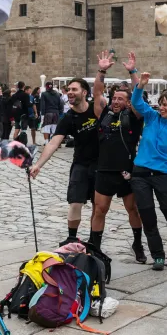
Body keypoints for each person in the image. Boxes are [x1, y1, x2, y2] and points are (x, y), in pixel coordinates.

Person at [90, 51, 146, 262]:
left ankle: (137, 243)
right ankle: (95, 247)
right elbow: (97, 93)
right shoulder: (104, 113)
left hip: (127, 171)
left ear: (129, 102)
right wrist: (102, 71)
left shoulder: (134, 115)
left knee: (132, 209)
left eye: (120, 99)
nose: (115, 101)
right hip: (104, 170)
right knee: (100, 210)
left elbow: (139, 91)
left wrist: (133, 71)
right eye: (114, 98)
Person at [129, 72, 167, 271]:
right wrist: (140, 83)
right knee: (148, 216)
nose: (162, 107)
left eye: (166, 104)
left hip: (162, 176)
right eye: (160, 103)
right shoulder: (151, 117)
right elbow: (136, 102)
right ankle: (158, 256)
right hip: (140, 175)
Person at [30, 78, 99, 244]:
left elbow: (100, 91)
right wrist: (38, 165)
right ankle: (72, 238)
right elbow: (54, 142)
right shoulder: (68, 117)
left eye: (74, 89)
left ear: (84, 92)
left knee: (98, 206)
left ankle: (94, 241)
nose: (70, 92)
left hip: (100, 165)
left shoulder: (97, 110)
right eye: (68, 89)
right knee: (75, 202)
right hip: (80, 164)